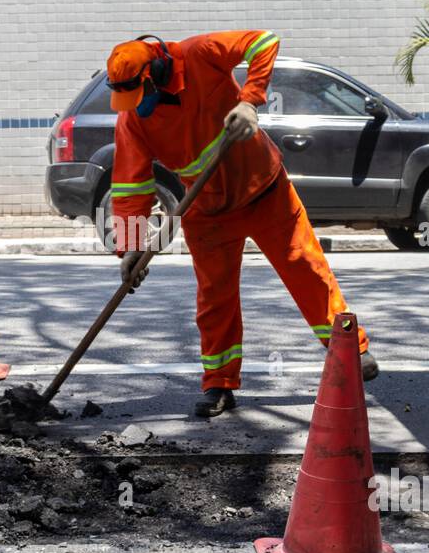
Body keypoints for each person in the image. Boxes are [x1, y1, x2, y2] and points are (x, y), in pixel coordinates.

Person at [106, 30, 377, 417]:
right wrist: (131, 246)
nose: (137, 106)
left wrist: (250, 101)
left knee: (307, 270)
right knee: (215, 301)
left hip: (266, 191)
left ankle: (354, 351)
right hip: (206, 211)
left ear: (156, 72)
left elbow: (264, 42)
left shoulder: (201, 54)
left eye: (139, 95)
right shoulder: (133, 121)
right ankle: (219, 384)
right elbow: (130, 185)